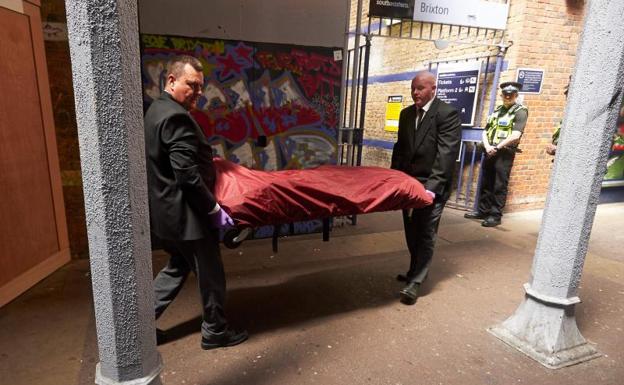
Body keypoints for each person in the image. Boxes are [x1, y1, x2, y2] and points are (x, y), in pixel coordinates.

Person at [144, 55, 248, 350]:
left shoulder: (156, 110)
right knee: (211, 272)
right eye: (192, 85)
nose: (198, 92)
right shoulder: (175, 117)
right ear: (172, 80)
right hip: (189, 217)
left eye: (201, 87)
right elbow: (187, 176)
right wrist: (214, 210)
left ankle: (139, 329)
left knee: (177, 267)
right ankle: (215, 331)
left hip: (167, 214)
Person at [391, 71, 462, 305]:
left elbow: (446, 154)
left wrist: (432, 188)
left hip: (433, 184)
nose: (415, 92)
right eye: (413, 88)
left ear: (433, 88)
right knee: (411, 229)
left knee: (426, 231)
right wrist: (394, 178)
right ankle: (413, 271)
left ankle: (417, 281)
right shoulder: (406, 114)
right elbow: (400, 148)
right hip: (409, 184)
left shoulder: (446, 114)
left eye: (420, 88)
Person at [464, 82, 528, 227]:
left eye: (511, 95)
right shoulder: (497, 110)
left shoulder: (520, 111)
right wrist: (487, 146)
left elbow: (516, 135)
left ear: (516, 96)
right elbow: (486, 130)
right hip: (490, 150)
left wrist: (497, 147)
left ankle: (495, 215)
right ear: (501, 95)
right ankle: (483, 210)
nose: (507, 97)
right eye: (505, 95)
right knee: (486, 182)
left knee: (499, 184)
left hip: (504, 153)